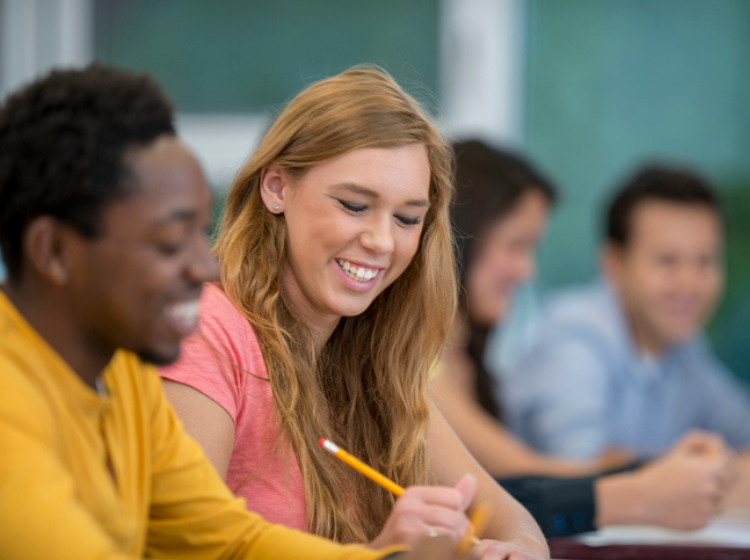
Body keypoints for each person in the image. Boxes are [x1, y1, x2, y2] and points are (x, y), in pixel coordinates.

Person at [0, 64, 478, 560]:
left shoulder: (123, 376)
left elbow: (226, 539)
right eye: (167, 241)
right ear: (55, 252)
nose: (204, 263)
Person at [159, 67, 548, 559]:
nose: (383, 241)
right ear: (277, 187)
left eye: (408, 218)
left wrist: (516, 550)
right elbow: (182, 548)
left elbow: (511, 518)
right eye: (354, 205)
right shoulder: (206, 331)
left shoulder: (376, 359)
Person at [430, 140, 739, 536]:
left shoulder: (463, 361)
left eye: (705, 261)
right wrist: (656, 481)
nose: (527, 272)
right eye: (516, 245)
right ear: (458, 236)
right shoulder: (423, 368)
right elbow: (516, 478)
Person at [499, 165, 750, 461]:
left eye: (705, 261)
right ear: (614, 264)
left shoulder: (687, 348)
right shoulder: (575, 336)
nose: (689, 282)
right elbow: (579, 467)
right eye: (667, 261)